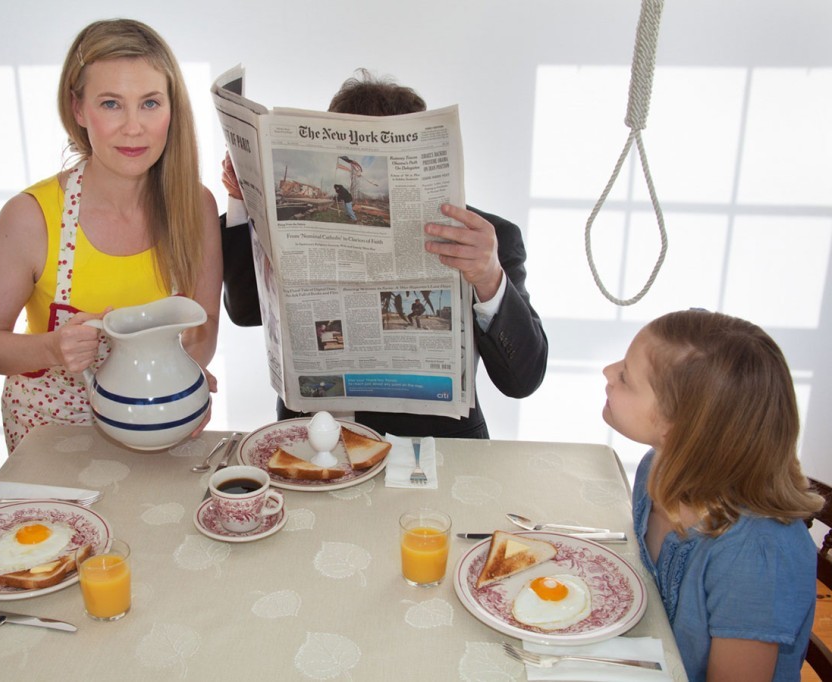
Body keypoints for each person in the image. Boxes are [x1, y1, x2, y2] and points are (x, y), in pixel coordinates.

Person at [220, 70, 548, 438]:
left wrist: (490, 279)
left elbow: (523, 380)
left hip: (436, 449)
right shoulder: (290, 223)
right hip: (314, 444)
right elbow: (244, 311)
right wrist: (240, 201)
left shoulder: (487, 240)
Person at [0, 19, 222, 453]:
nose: (134, 127)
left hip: (158, 429)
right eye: (111, 104)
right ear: (78, 109)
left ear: (172, 109)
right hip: (51, 438)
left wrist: (181, 385)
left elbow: (205, 323)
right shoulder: (31, 217)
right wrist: (52, 349)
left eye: (150, 103)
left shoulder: (196, 207)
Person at [602, 309, 822, 681]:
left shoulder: (754, 557)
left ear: (677, 427)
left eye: (625, 376)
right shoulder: (657, 466)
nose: (608, 371)